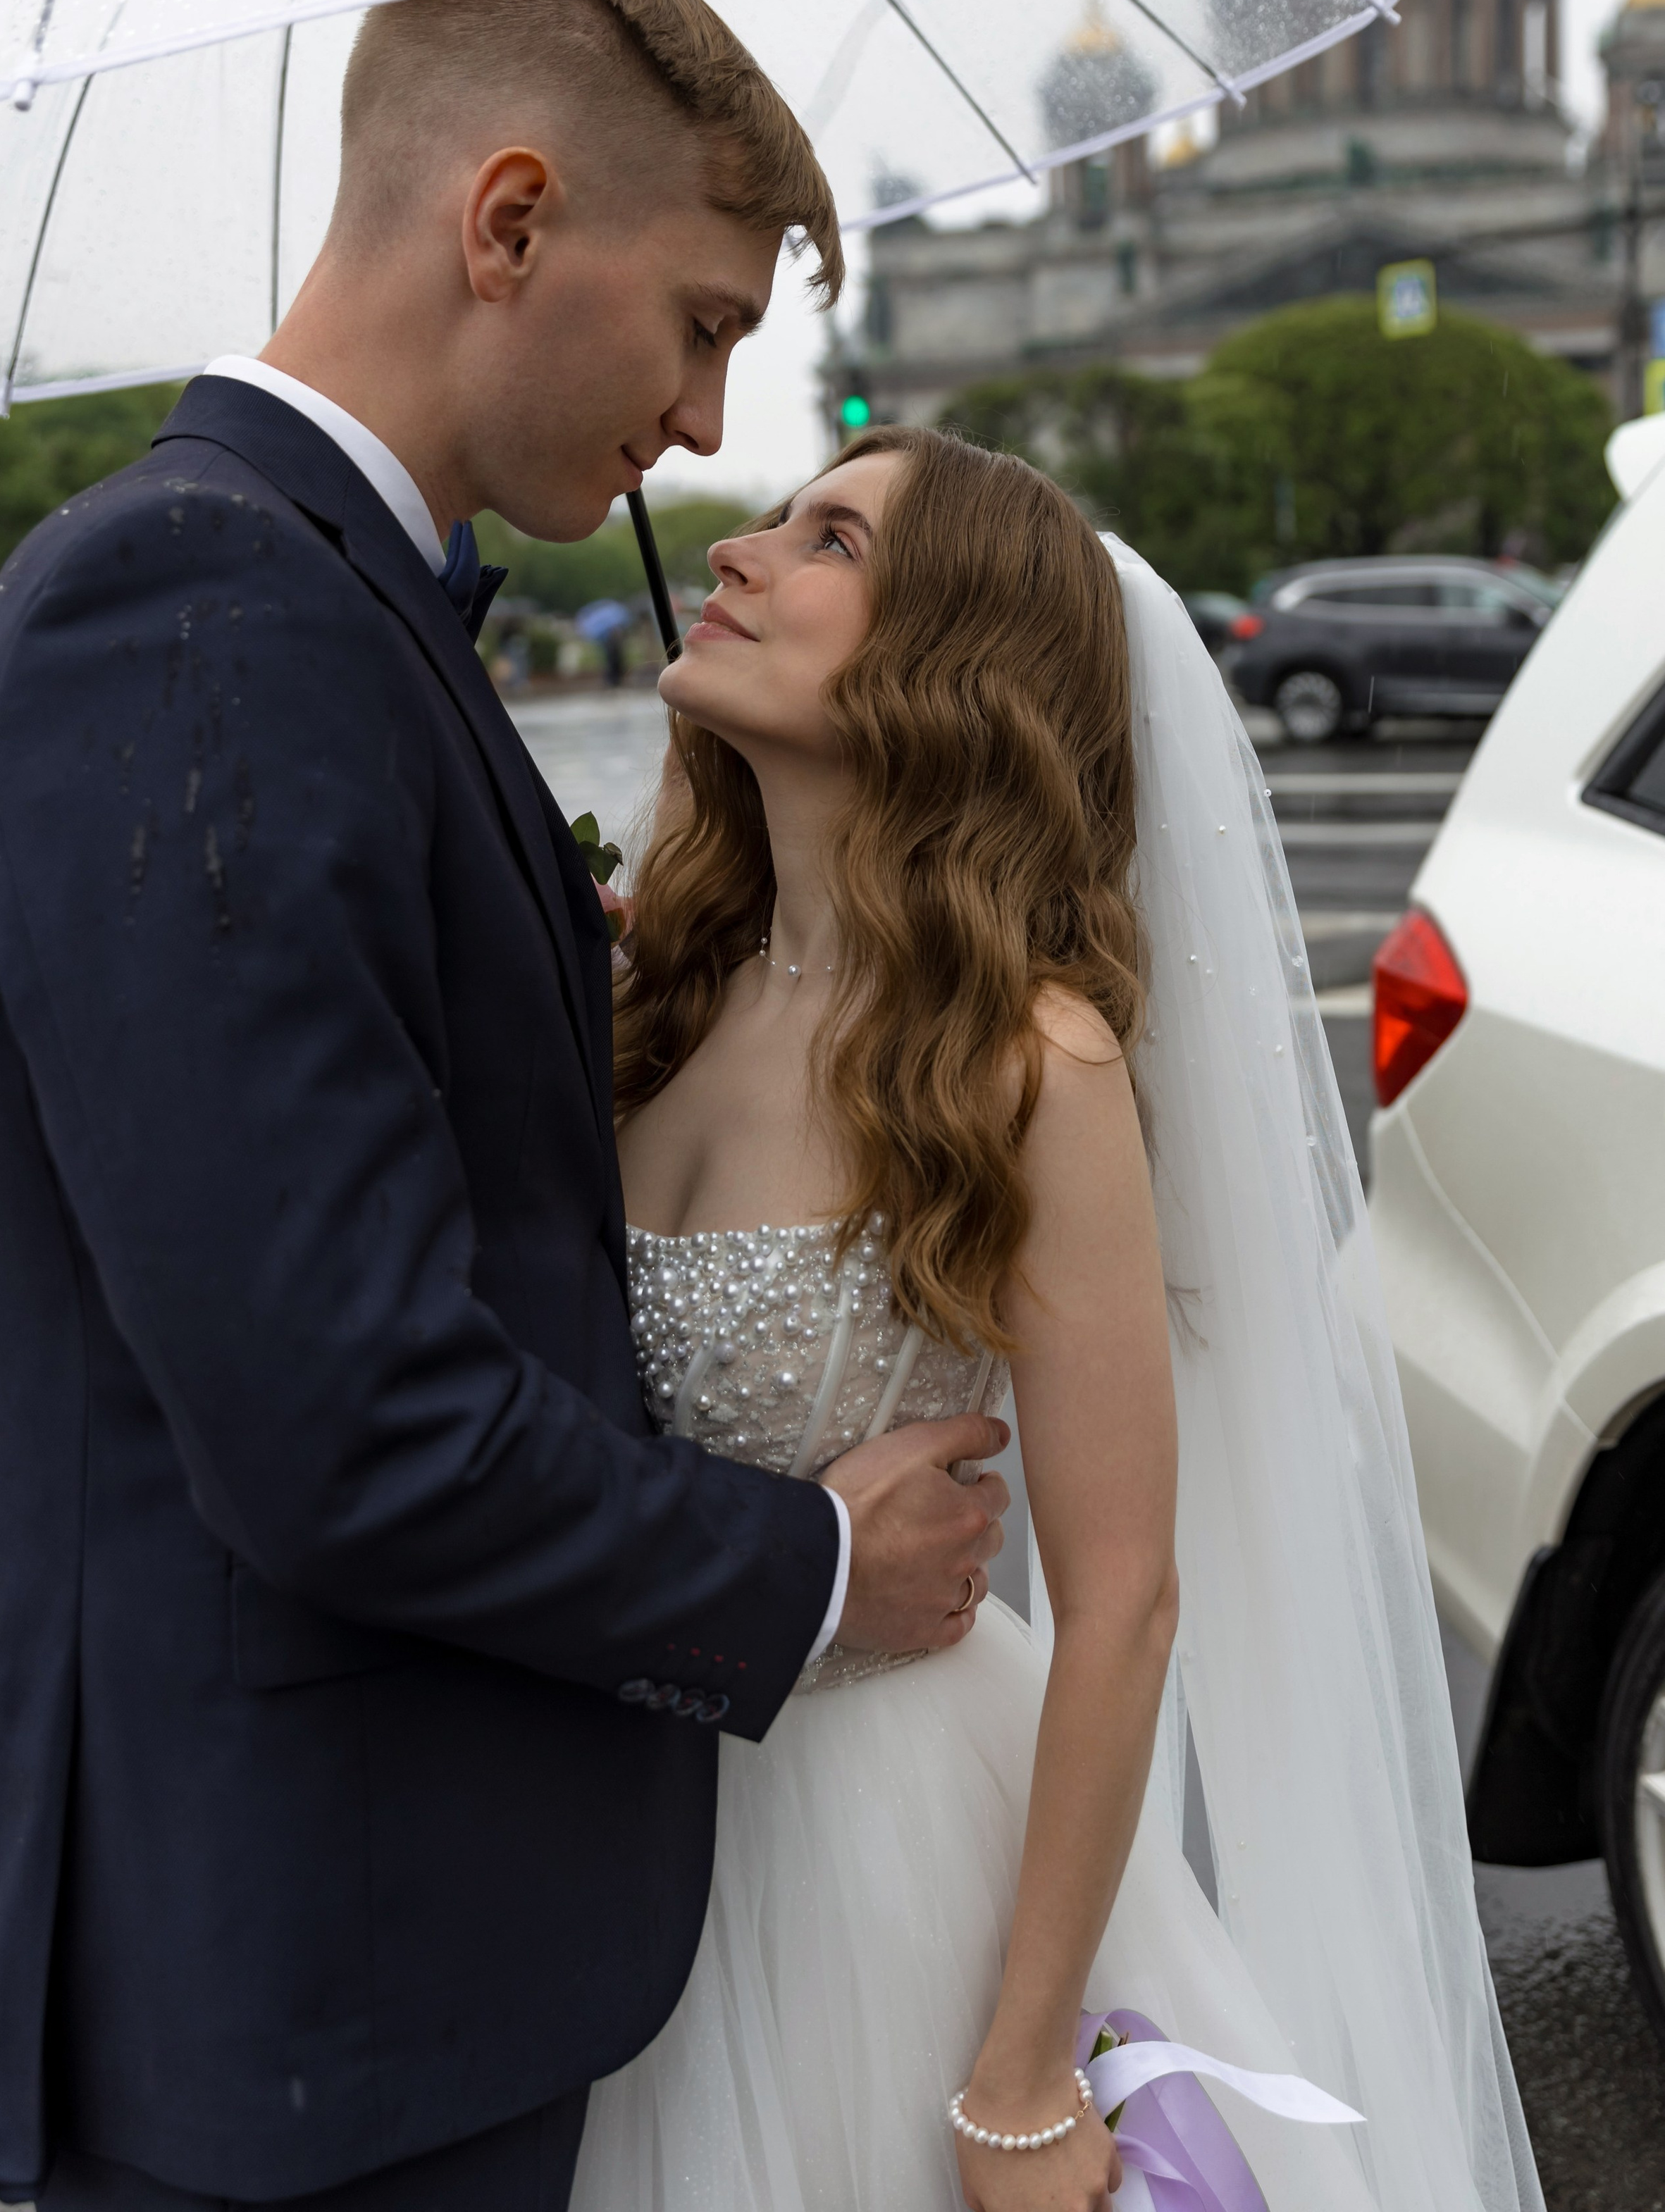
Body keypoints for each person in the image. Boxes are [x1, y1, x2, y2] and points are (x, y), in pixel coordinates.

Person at [0, 0, 1012, 2212]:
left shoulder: (312, 603)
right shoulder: (209, 624)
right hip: (310, 1997)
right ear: (506, 224)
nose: (707, 429)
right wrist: (798, 1570)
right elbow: (345, 1427)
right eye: (700, 321)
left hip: (354, 1970)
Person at [571, 426, 1543, 2212]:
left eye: (827, 540)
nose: (737, 555)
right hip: (614, 1847)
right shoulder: (653, 995)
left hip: (884, 1865)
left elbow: (1122, 1602)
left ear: (948, 665)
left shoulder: (1029, 1061)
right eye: (772, 522)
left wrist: (1021, 2076)